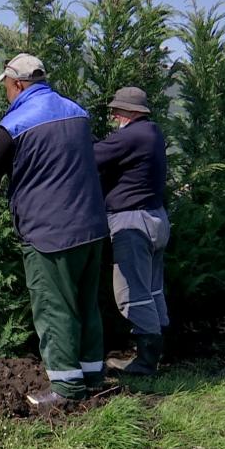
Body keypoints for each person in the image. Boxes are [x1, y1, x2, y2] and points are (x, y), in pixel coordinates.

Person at [0, 54, 109, 406]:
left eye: (7, 87)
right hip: (91, 226)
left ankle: (66, 389)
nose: (6, 93)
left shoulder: (15, 124)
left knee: (54, 306)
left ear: (18, 84)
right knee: (86, 303)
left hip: (50, 232)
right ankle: (92, 375)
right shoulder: (78, 113)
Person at [93, 87, 170, 375]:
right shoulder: (153, 132)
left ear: (133, 112)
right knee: (152, 289)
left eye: (118, 110)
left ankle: (146, 363)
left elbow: (92, 156)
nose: (114, 115)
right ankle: (159, 351)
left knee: (131, 293)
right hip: (155, 218)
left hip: (132, 223)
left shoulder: (132, 135)